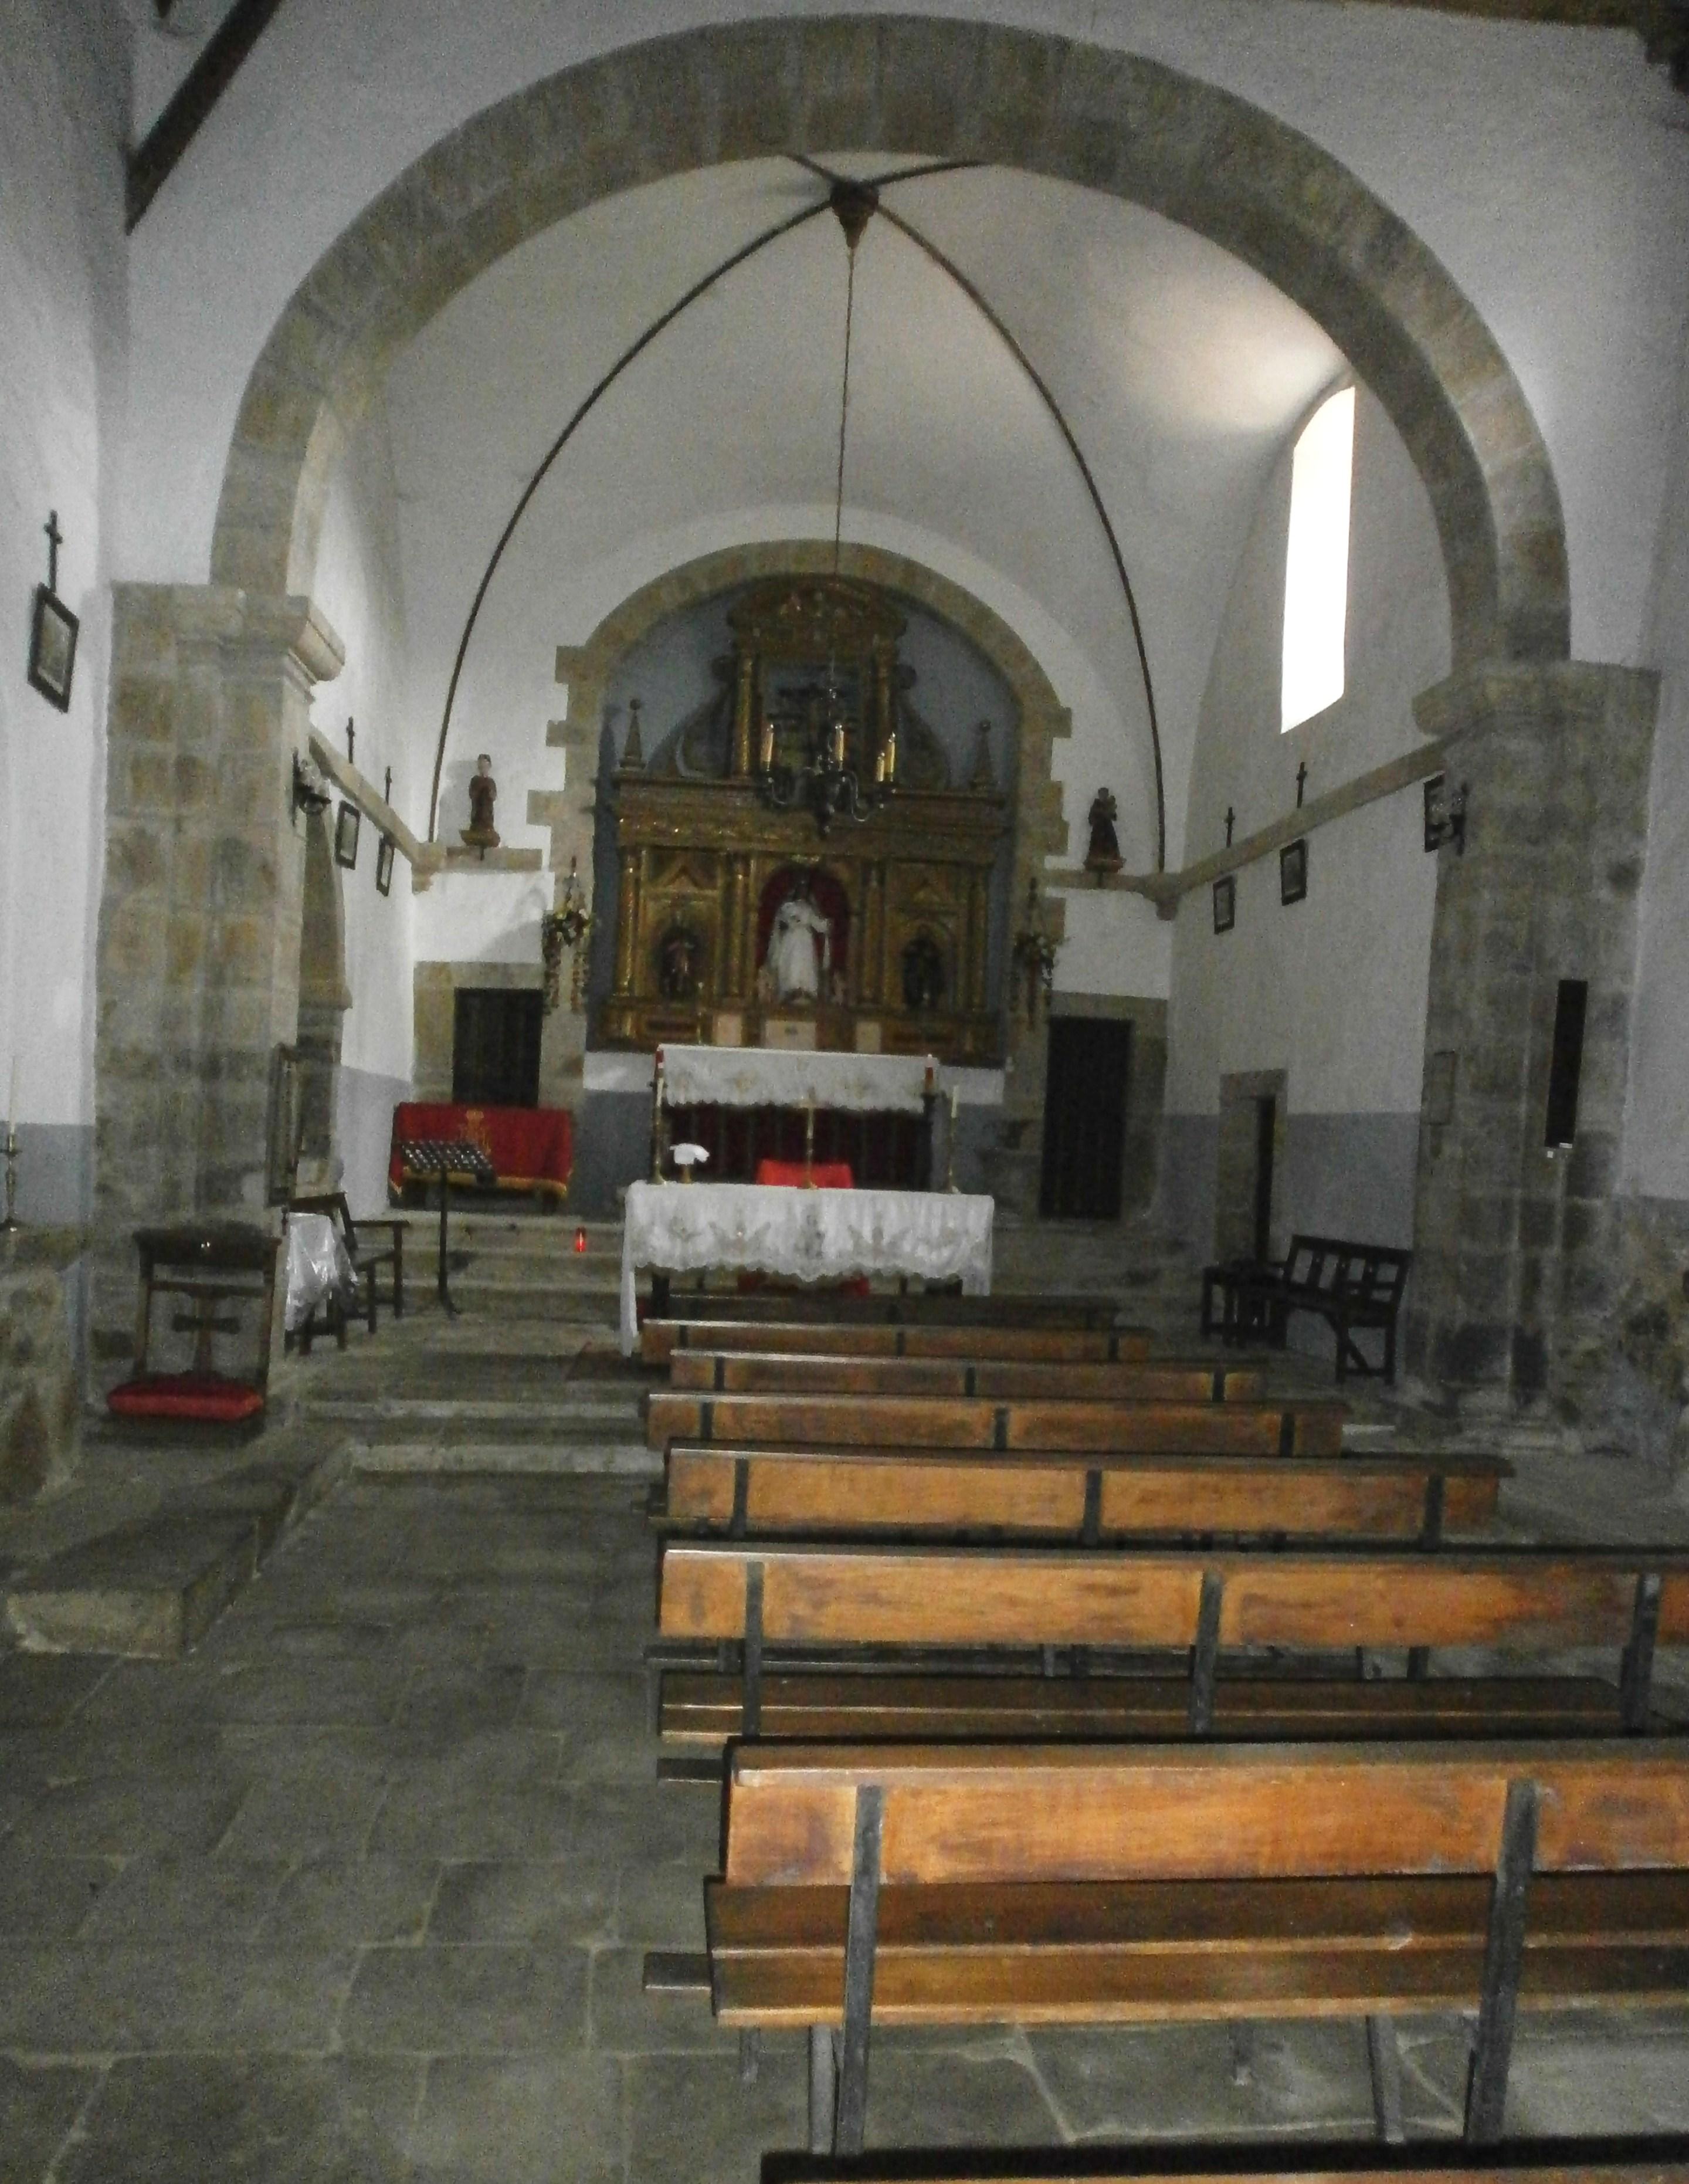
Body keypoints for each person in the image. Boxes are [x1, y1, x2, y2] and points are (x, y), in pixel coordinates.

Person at [769, 876, 831, 1002]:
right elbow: (781, 923)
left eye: (805, 889)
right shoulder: (787, 907)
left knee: (805, 963)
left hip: (806, 941)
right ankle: (791, 989)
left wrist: (826, 925)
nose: (803, 891)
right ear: (796, 890)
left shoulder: (809, 909)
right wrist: (791, 922)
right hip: (791, 940)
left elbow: (817, 924)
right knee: (792, 964)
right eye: (801, 888)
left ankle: (805, 990)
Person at [463, 754, 500, 846]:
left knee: (487, 821)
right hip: (477, 811)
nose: (483, 768)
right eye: (481, 766)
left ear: (489, 767)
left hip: (488, 813)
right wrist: (480, 788)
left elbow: (494, 796)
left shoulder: (491, 782)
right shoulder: (475, 780)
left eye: (485, 766)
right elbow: (472, 795)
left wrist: (488, 790)